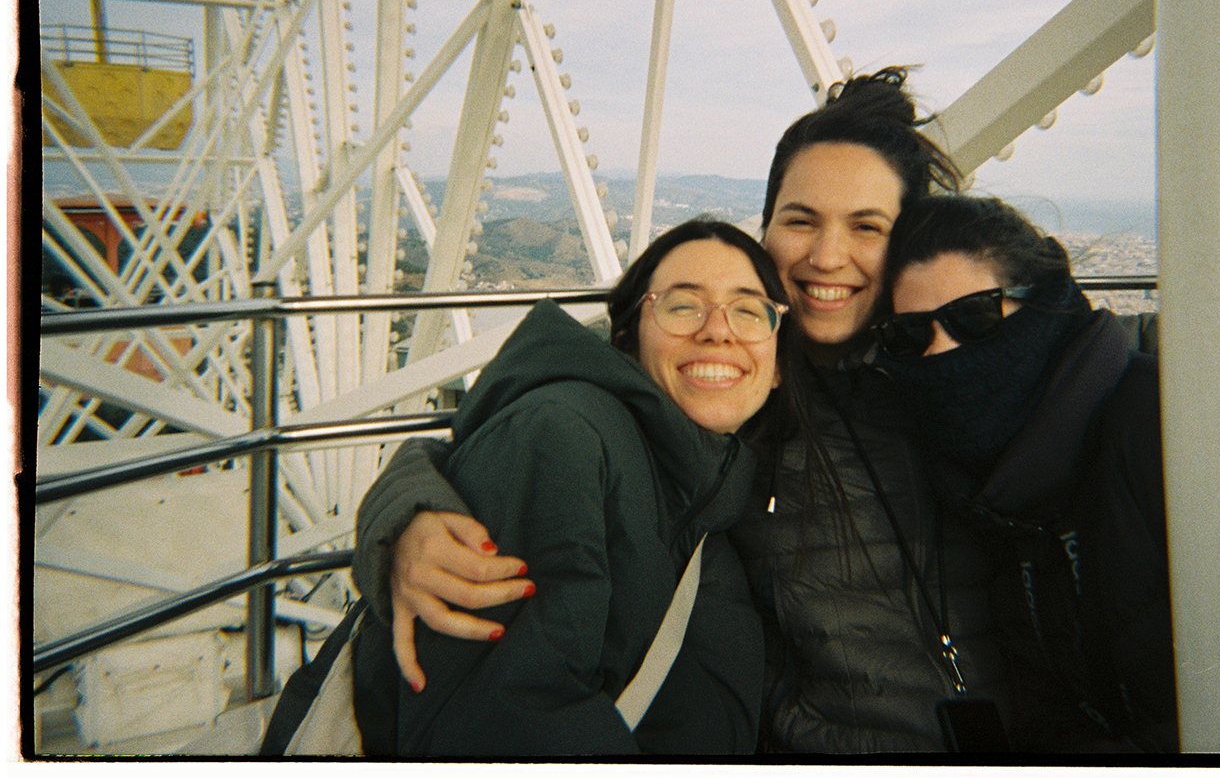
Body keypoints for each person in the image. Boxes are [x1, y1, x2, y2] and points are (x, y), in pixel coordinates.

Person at [354, 68, 1165, 752]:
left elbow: (1101, 372)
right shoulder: (734, 375)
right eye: (800, 219)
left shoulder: (957, 371)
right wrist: (408, 511)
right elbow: (559, 394)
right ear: (766, 225)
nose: (825, 255)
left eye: (868, 226)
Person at [351, 219, 800, 756]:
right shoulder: (564, 435)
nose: (717, 330)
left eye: (749, 310)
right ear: (626, 340)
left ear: (777, 364)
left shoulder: (708, 490)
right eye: (682, 306)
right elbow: (509, 721)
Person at [870, 193, 1177, 753]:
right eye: (910, 336)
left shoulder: (1159, 423)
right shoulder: (990, 499)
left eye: (974, 317)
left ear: (1039, 304)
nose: (941, 355)